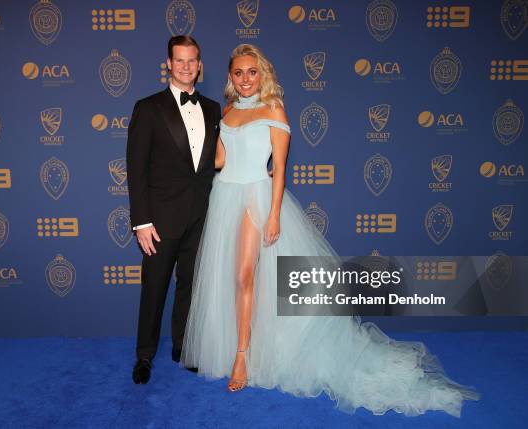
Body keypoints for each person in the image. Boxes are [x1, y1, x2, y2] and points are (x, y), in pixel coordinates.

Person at [180, 44, 479, 417]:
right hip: (225, 195)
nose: (245, 79)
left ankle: (242, 355)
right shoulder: (227, 112)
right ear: (230, 77)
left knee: (244, 276)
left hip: (257, 198)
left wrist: (273, 214)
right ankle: (246, 346)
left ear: (263, 74)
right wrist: (192, 135)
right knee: (238, 280)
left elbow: (280, 168)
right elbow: (221, 159)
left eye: (251, 72)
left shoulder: (273, 108)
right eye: (238, 73)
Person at [126, 36, 221, 384]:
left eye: (192, 60)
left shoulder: (213, 109)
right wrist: (141, 222)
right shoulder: (148, 108)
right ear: (168, 63)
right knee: (154, 288)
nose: (185, 66)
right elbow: (136, 170)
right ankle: (144, 356)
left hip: (201, 216)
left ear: (200, 65)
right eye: (179, 60)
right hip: (160, 219)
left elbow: (217, 160)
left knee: (191, 286)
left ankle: (184, 347)